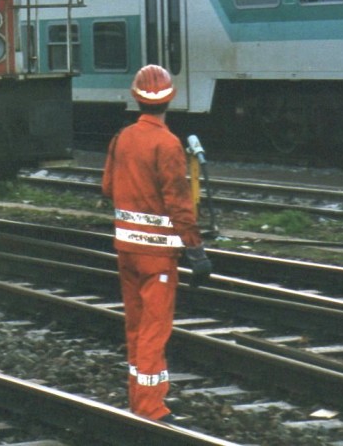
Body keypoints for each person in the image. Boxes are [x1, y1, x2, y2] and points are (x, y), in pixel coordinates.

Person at [102, 64, 212, 422]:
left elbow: (107, 188)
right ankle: (150, 408)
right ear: (170, 98)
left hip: (126, 250)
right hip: (157, 256)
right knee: (154, 329)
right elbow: (178, 203)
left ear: (136, 98)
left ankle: (140, 399)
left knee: (136, 327)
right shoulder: (167, 144)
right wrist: (195, 250)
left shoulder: (122, 137)